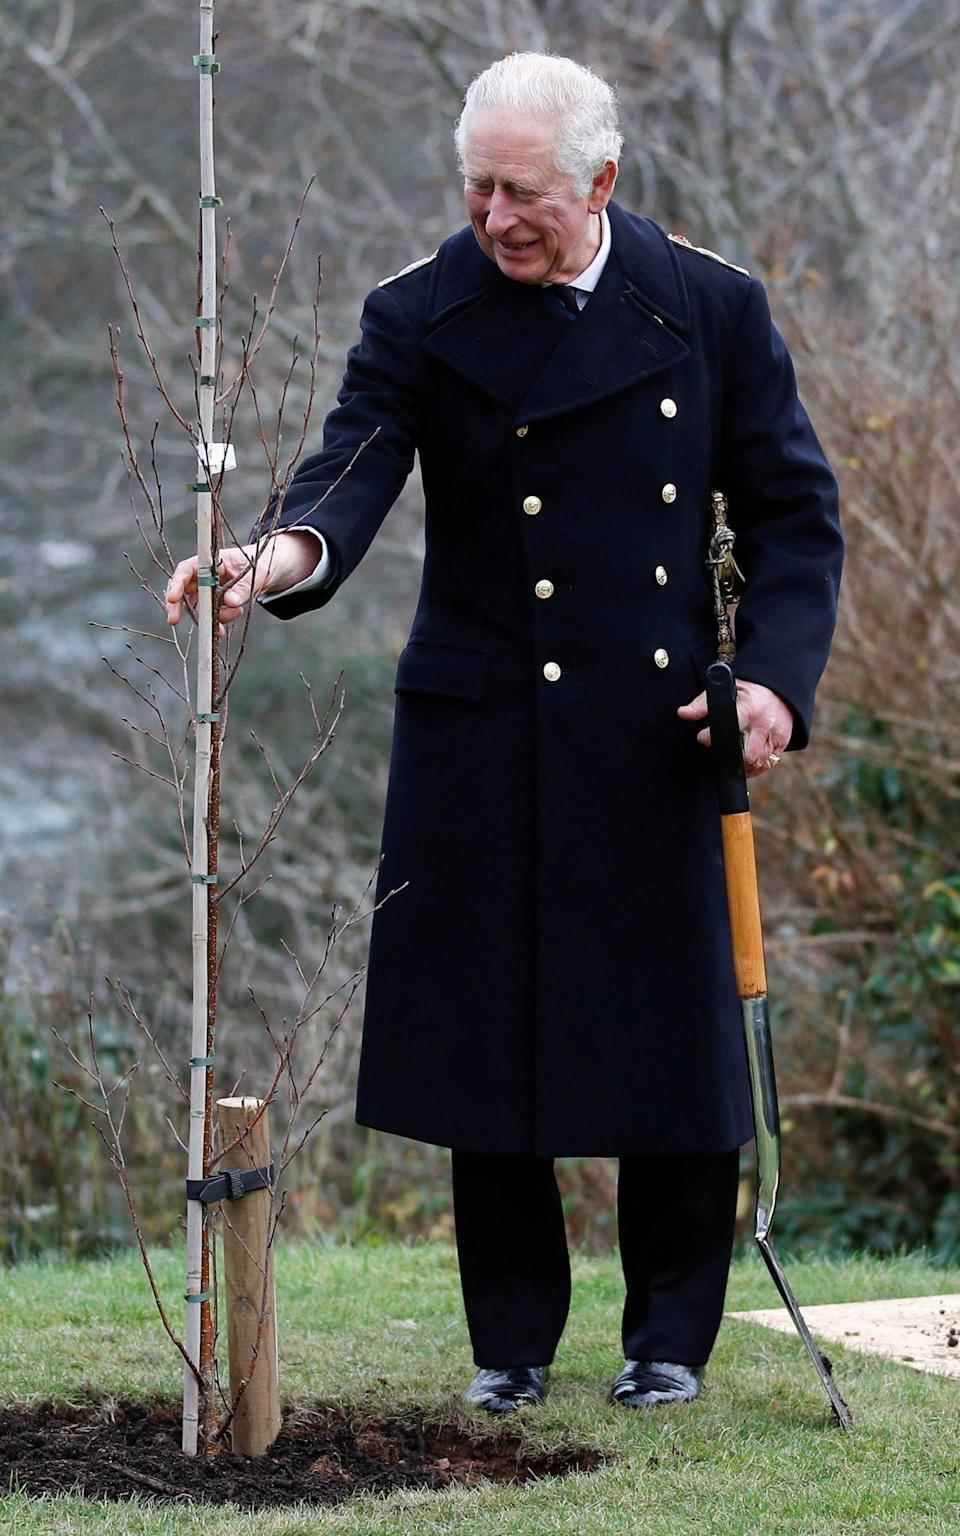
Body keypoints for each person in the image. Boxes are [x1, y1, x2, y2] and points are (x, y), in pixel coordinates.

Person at [166, 53, 842, 1415]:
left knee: (671, 1042)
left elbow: (794, 513)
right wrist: (276, 556)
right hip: (485, 726)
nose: (492, 215)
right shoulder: (421, 312)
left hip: (659, 726)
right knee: (493, 1040)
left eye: (519, 190)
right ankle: (513, 1345)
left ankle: (668, 1343)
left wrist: (769, 683)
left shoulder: (708, 307)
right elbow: (350, 465)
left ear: (598, 182)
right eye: (474, 186)